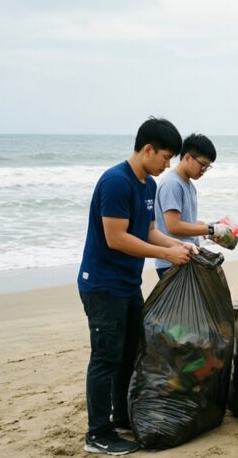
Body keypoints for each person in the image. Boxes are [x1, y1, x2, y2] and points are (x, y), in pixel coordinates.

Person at [77, 117, 197, 455]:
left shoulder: (149, 186)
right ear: (147, 149)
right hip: (102, 285)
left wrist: (179, 246)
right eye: (165, 157)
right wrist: (165, 253)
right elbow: (116, 238)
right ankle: (97, 434)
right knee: (106, 358)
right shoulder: (116, 182)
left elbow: (147, 230)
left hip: (128, 284)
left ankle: (120, 419)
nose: (168, 164)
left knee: (130, 353)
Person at [154, 133, 230, 279]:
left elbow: (187, 221)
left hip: (187, 257)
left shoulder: (188, 184)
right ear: (188, 157)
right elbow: (173, 226)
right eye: (203, 165)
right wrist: (211, 229)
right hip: (172, 262)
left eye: (208, 167)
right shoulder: (172, 184)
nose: (204, 171)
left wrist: (213, 228)